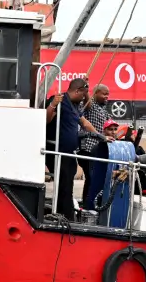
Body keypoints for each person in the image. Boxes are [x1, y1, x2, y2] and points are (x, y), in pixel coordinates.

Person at [45, 79, 108, 220]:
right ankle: (65, 216)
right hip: (58, 151)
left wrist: (101, 137)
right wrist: (53, 105)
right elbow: (46, 120)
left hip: (69, 153)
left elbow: (85, 123)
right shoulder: (59, 100)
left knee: (68, 185)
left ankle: (66, 214)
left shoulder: (75, 106)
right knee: (64, 185)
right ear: (77, 91)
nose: (83, 99)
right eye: (82, 94)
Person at [78, 84, 110, 207]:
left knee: (93, 178)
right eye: (104, 94)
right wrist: (86, 87)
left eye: (108, 94)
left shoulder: (104, 110)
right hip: (87, 148)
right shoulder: (91, 106)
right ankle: (87, 205)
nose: (107, 97)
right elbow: (87, 99)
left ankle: (88, 203)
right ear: (95, 93)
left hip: (98, 149)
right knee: (91, 177)